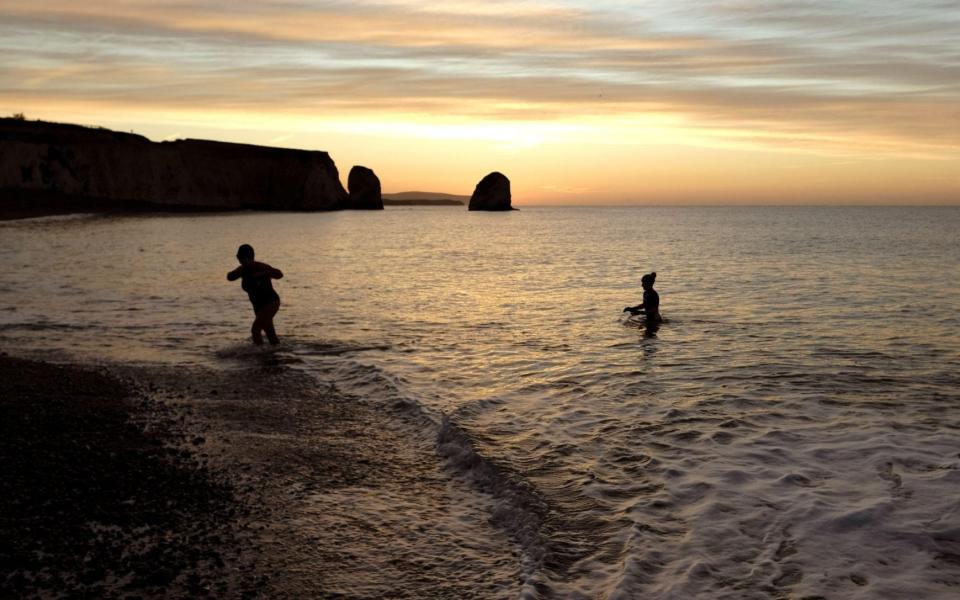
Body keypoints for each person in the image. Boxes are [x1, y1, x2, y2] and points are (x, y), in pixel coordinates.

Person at [227, 244, 283, 345]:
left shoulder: (260, 266)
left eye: (245, 259)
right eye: (240, 259)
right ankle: (275, 355)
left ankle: (259, 354)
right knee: (271, 335)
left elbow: (279, 274)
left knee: (255, 329)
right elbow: (229, 277)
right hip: (259, 307)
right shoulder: (242, 269)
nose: (242, 262)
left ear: (252, 258)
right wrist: (238, 272)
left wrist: (263, 273)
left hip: (271, 302)